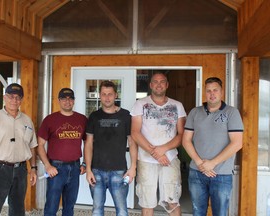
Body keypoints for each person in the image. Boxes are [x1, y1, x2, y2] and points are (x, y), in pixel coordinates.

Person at [182, 77, 244, 216]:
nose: (212, 93)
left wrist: (212, 163)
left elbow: (237, 143)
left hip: (221, 174)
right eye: (208, 90)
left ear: (222, 92)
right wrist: (200, 163)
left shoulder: (231, 113)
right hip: (197, 172)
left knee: (220, 213)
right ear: (205, 92)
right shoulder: (195, 112)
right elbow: (186, 140)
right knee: (198, 212)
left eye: (215, 90)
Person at [131, 72, 186, 216]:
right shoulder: (140, 104)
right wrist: (155, 153)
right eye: (155, 81)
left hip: (170, 159)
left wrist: (163, 149)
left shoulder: (177, 105)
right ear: (150, 85)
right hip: (146, 160)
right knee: (147, 203)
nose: (159, 84)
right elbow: (135, 132)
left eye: (162, 81)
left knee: (172, 201)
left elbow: (182, 135)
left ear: (167, 85)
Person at [0, 83, 38, 216]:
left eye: (18, 97)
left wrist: (34, 169)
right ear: (5, 98)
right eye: (11, 96)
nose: (14, 100)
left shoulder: (27, 121)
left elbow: (32, 146)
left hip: (21, 171)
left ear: (21, 100)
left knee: (18, 210)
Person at [84, 80, 137, 216]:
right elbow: (88, 144)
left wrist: (133, 168)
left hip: (119, 172)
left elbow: (132, 142)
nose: (107, 97)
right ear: (100, 96)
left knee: (122, 210)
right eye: (104, 94)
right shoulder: (94, 116)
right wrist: (88, 169)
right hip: (96, 172)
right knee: (97, 210)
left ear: (115, 95)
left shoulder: (125, 116)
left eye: (110, 94)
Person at [37, 88, 87, 216]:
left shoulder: (82, 119)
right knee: (51, 207)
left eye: (70, 99)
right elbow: (40, 145)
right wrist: (48, 166)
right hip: (56, 168)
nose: (67, 101)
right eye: (64, 99)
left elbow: (88, 143)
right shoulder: (50, 119)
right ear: (59, 101)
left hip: (75, 167)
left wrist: (85, 163)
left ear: (74, 101)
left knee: (69, 207)